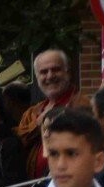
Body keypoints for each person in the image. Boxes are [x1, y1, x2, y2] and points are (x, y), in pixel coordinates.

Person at [18, 48, 85, 178]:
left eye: (55, 70)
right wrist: (38, 124)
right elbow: (18, 144)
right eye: (43, 72)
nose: (50, 76)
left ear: (67, 72)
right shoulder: (32, 113)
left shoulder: (82, 106)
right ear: (37, 77)